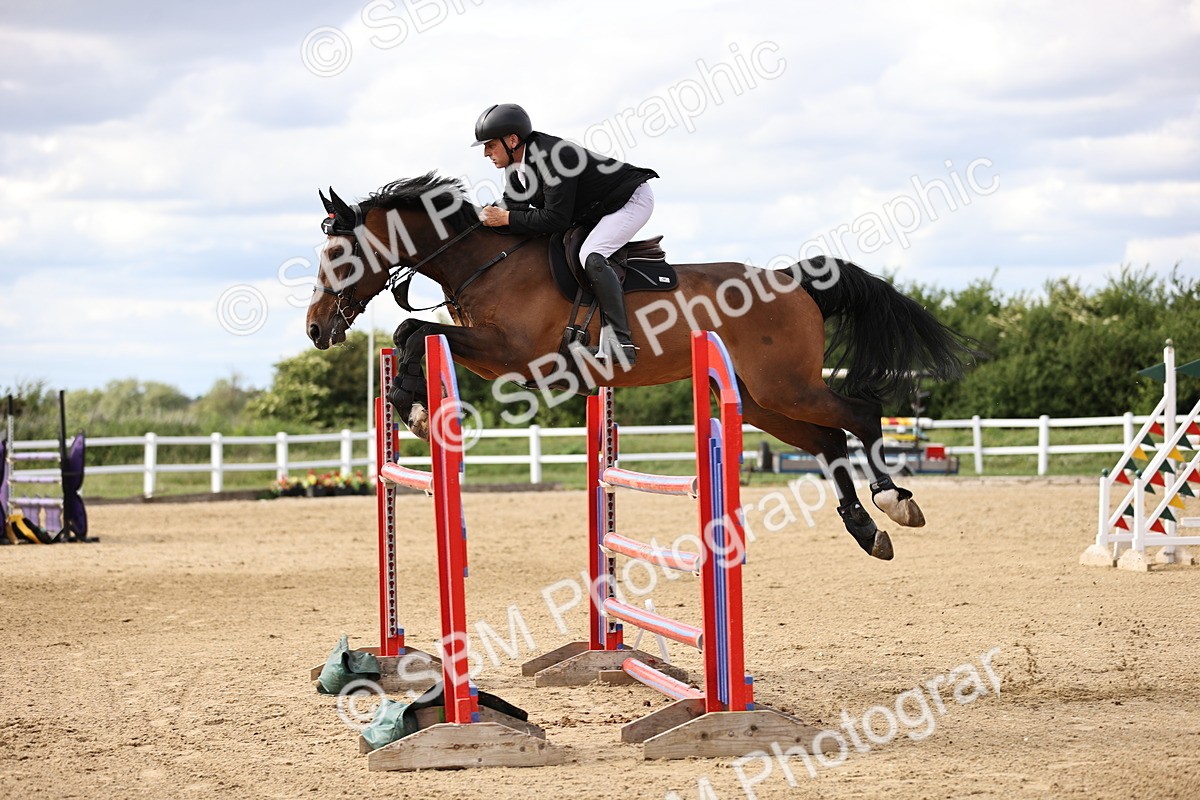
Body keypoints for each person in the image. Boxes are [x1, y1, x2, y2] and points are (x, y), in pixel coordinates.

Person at [473, 103, 657, 366]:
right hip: (595, 209)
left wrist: (506, 218)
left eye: (490, 145)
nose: (485, 153)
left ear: (512, 140)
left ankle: (621, 343)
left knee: (591, 254)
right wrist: (478, 218)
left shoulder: (553, 158)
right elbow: (513, 208)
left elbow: (554, 219)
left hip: (630, 200)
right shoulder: (515, 168)